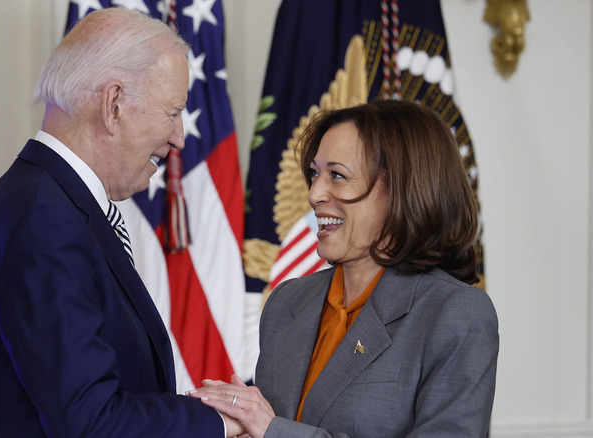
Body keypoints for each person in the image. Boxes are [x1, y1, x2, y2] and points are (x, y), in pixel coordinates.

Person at [0, 8, 243, 437]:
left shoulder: (47, 203)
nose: (179, 138)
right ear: (113, 104)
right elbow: (90, 422)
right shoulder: (43, 221)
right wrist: (220, 422)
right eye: (172, 112)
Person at [189, 100, 499, 437]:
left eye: (337, 175)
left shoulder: (455, 313)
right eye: (315, 174)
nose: (314, 193)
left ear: (403, 189)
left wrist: (272, 431)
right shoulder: (287, 303)